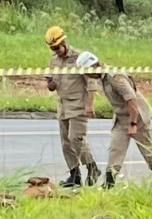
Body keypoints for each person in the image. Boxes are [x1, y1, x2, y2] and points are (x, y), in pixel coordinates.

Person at [76, 51, 152, 187]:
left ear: (93, 67)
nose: (86, 75)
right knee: (115, 150)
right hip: (121, 118)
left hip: (137, 118)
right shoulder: (102, 78)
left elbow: (132, 100)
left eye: (87, 72)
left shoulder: (115, 77)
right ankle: (109, 184)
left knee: (149, 154)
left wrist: (133, 124)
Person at [44, 25, 97, 189]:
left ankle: (92, 168)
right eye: (52, 48)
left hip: (78, 104)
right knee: (66, 142)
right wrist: (50, 84)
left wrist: (89, 104)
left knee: (76, 138)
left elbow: (92, 82)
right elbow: (51, 84)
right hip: (63, 105)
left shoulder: (79, 58)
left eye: (57, 47)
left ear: (64, 42)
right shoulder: (53, 60)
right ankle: (74, 174)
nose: (55, 51)